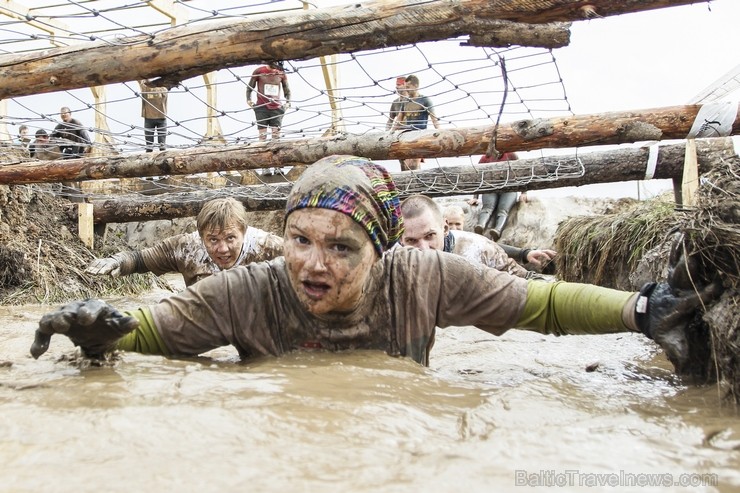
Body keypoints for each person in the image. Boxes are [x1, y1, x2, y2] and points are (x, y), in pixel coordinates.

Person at [30, 155, 718, 382]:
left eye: (340, 247)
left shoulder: (426, 277)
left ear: (382, 250)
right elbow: (158, 325)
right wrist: (103, 332)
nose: (312, 264)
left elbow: (536, 304)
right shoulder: (248, 288)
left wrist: (640, 310)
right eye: (299, 238)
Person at [85, 197, 283, 287]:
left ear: (244, 232)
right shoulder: (187, 248)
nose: (222, 249)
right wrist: (116, 261)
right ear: (201, 235)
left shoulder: (268, 247)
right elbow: (139, 260)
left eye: (230, 238)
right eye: (212, 240)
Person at [400, 194, 555, 276]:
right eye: (412, 241)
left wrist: (524, 253)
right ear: (400, 239)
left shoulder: (475, 249)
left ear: (445, 228)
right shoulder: (394, 261)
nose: (423, 248)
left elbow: (527, 283)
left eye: (430, 236)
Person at [391, 74, 441, 171]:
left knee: (413, 164)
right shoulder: (405, 101)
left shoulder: (424, 100)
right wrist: (391, 133)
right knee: (404, 164)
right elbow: (399, 119)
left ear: (416, 86)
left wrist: (440, 132)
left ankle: (416, 183)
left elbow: (434, 119)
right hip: (406, 135)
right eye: (405, 87)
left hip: (419, 136)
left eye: (408, 87)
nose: (407, 90)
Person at [471, 152, 521, 241]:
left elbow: (522, 173)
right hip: (491, 187)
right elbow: (478, 178)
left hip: (509, 189)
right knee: (487, 207)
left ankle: (497, 230)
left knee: (503, 210)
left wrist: (524, 193)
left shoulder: (511, 155)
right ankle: (480, 225)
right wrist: (475, 197)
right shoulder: (484, 158)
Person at [246, 61, 291, 143]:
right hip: (262, 107)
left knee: (276, 136)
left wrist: (288, 103)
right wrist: (249, 100)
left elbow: (287, 91)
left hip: (276, 108)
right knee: (262, 136)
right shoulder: (259, 71)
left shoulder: (281, 73)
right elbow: (249, 87)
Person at [138, 80, 168, 152]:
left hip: (161, 118)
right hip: (149, 118)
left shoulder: (163, 89)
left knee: (161, 145)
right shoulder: (145, 88)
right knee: (150, 146)